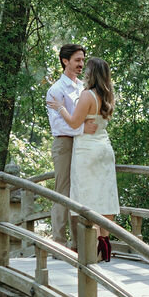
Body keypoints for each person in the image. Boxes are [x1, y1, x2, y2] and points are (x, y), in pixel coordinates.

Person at [47, 56, 119, 260]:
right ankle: (105, 241)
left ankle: (93, 245)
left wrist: (60, 107)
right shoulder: (108, 95)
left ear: (92, 74)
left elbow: (73, 122)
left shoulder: (88, 95)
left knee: (88, 197)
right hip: (105, 148)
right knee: (105, 195)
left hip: (87, 150)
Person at [45, 43, 86, 244]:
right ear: (65, 61)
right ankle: (59, 242)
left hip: (83, 145)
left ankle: (78, 243)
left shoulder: (83, 87)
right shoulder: (56, 90)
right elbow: (59, 125)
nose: (81, 64)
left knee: (79, 191)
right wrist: (83, 128)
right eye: (77, 60)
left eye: (83, 60)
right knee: (63, 191)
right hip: (64, 143)